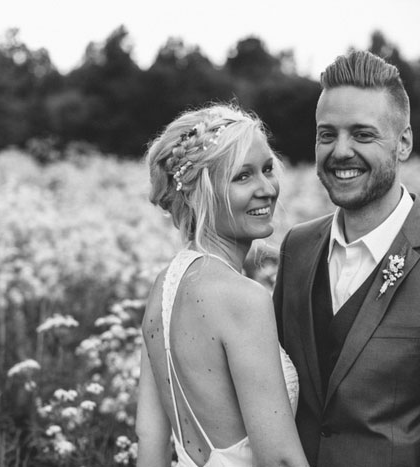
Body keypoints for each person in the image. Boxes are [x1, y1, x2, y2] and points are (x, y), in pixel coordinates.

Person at [273, 50, 420, 467]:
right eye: (326, 134)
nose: (341, 151)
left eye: (363, 135)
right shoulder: (296, 248)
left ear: (403, 143)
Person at [136, 103, 309, 467]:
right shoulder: (242, 298)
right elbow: (279, 459)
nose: (267, 188)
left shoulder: (162, 288)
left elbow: (149, 440)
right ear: (202, 192)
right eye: (242, 177)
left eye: (266, 169)